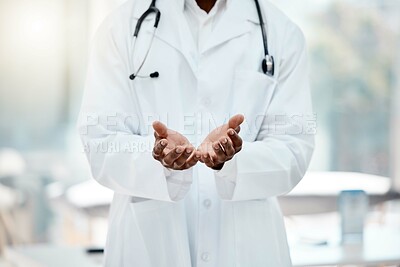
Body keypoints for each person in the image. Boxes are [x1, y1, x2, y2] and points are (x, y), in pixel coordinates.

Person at [78, 0, 314, 266]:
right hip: (149, 244)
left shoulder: (281, 33)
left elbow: (294, 148)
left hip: (248, 247)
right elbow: (99, 140)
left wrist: (236, 162)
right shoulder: (119, 27)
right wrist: (156, 159)